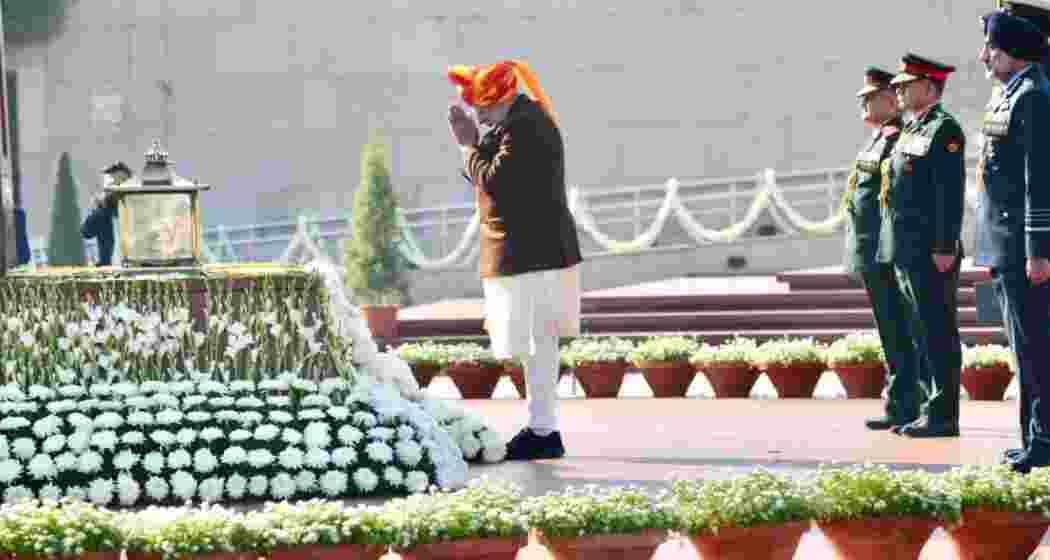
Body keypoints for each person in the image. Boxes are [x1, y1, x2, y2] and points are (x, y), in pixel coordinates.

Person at [446, 59, 583, 461]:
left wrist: (467, 144)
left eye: (483, 106)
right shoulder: (518, 121)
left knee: (539, 342)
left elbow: (493, 179)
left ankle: (544, 430)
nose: (478, 115)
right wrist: (473, 143)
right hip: (532, 252)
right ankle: (542, 427)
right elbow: (489, 167)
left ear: (503, 97)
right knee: (536, 343)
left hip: (534, 253)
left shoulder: (527, 125)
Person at [974, 10, 1050, 472]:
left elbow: (1037, 179)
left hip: (1026, 249)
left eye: (991, 49)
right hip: (1006, 244)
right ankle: (1032, 439)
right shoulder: (1011, 94)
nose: (984, 56)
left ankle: (1042, 443)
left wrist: (1038, 250)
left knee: (1036, 347)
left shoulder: (1034, 97)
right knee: (1025, 349)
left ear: (1010, 53)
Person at [878, 53, 966, 438]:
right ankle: (931, 409)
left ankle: (944, 416)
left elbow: (949, 193)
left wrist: (945, 245)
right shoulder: (914, 129)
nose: (897, 90)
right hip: (908, 249)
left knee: (938, 332)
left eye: (905, 84)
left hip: (932, 250)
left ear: (929, 87)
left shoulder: (944, 129)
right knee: (920, 333)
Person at [845, 67, 923, 432]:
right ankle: (898, 403)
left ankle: (908, 405)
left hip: (886, 252)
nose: (862, 101)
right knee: (890, 331)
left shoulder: (897, 139)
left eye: (870, 96)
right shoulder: (878, 140)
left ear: (891, 101)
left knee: (901, 329)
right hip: (872, 252)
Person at [81, 162, 131, 266]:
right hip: (113, 261)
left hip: (120, 259)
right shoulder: (103, 213)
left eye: (112, 176)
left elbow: (86, 232)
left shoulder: (106, 210)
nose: (110, 181)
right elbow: (86, 232)